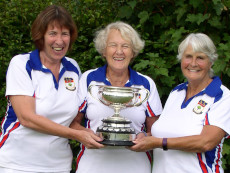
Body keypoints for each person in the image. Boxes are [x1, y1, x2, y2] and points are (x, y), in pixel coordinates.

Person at [0, 5, 103, 173]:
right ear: (41, 36)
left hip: (59, 166)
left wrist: (91, 134)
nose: (60, 41)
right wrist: (77, 135)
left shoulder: (73, 68)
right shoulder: (22, 64)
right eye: (53, 33)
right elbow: (27, 118)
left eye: (65, 34)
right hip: (17, 164)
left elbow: (69, 120)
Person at [70, 21, 163, 173]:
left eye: (125, 46)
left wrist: (145, 137)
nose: (119, 51)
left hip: (135, 167)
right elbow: (73, 123)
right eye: (113, 45)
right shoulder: (88, 79)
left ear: (133, 52)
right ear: (103, 50)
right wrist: (83, 134)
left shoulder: (146, 84)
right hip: (92, 166)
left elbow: (158, 131)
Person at [130, 33, 230, 173]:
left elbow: (206, 142)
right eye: (188, 56)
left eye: (200, 57)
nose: (193, 63)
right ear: (181, 59)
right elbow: (167, 133)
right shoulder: (176, 92)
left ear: (211, 61)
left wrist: (159, 143)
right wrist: (145, 137)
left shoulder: (222, 96)